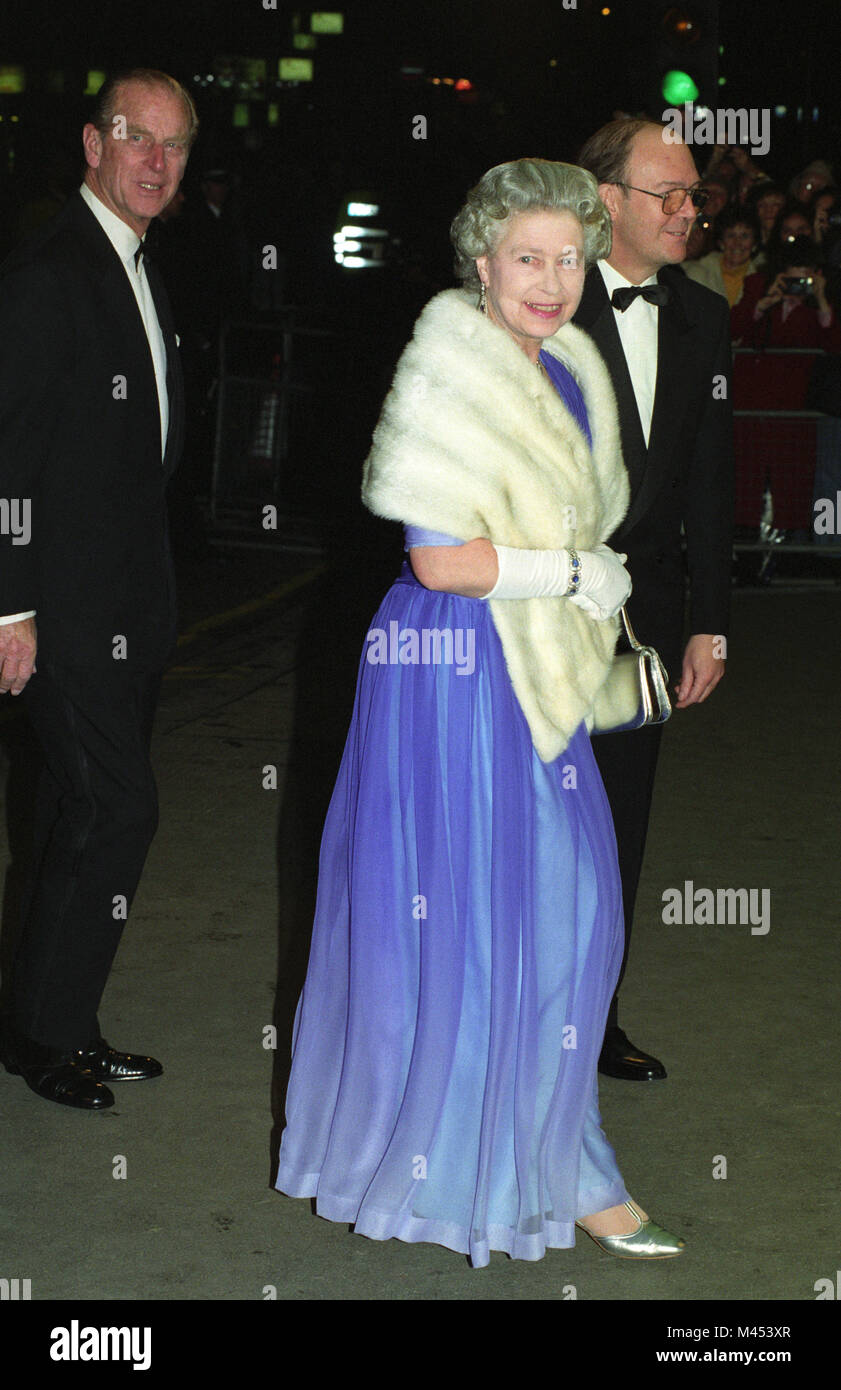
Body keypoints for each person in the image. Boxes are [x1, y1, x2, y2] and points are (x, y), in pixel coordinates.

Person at [274, 159, 686, 1266]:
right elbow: (438, 557)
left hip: (537, 667)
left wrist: (587, 576)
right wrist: (564, 573)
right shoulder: (445, 366)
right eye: (526, 258)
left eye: (567, 258)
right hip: (451, 670)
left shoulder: (568, 369)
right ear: (481, 261)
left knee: (570, 912)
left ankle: (555, 1155)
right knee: (464, 924)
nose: (549, 281)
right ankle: (474, 1165)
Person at [0, 69, 195, 1109]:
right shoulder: (50, 271)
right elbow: (7, 456)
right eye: (136, 137)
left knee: (84, 821)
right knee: (118, 808)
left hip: (129, 609)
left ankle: (63, 1020)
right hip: (58, 612)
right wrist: (8, 606)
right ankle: (40, 1035)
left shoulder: (135, 263)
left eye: (173, 144)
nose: (155, 161)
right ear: (92, 141)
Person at [575, 118, 734, 1083]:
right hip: (532, 613)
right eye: (667, 196)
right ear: (607, 203)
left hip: (645, 622)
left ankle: (594, 1019)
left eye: (693, 197)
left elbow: (712, 479)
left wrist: (711, 616)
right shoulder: (541, 296)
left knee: (619, 823)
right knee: (524, 817)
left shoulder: (702, 314)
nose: (687, 212)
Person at [730, 236, 841, 350]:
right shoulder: (758, 287)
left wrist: (822, 302)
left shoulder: (824, 301)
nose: (797, 288)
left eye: (804, 283)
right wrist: (762, 304)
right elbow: (730, 332)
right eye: (792, 282)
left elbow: (834, 345)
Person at [683, 207, 761, 307]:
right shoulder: (694, 273)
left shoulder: (762, 281)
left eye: (744, 236)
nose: (737, 243)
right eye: (731, 236)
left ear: (754, 243)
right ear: (721, 243)